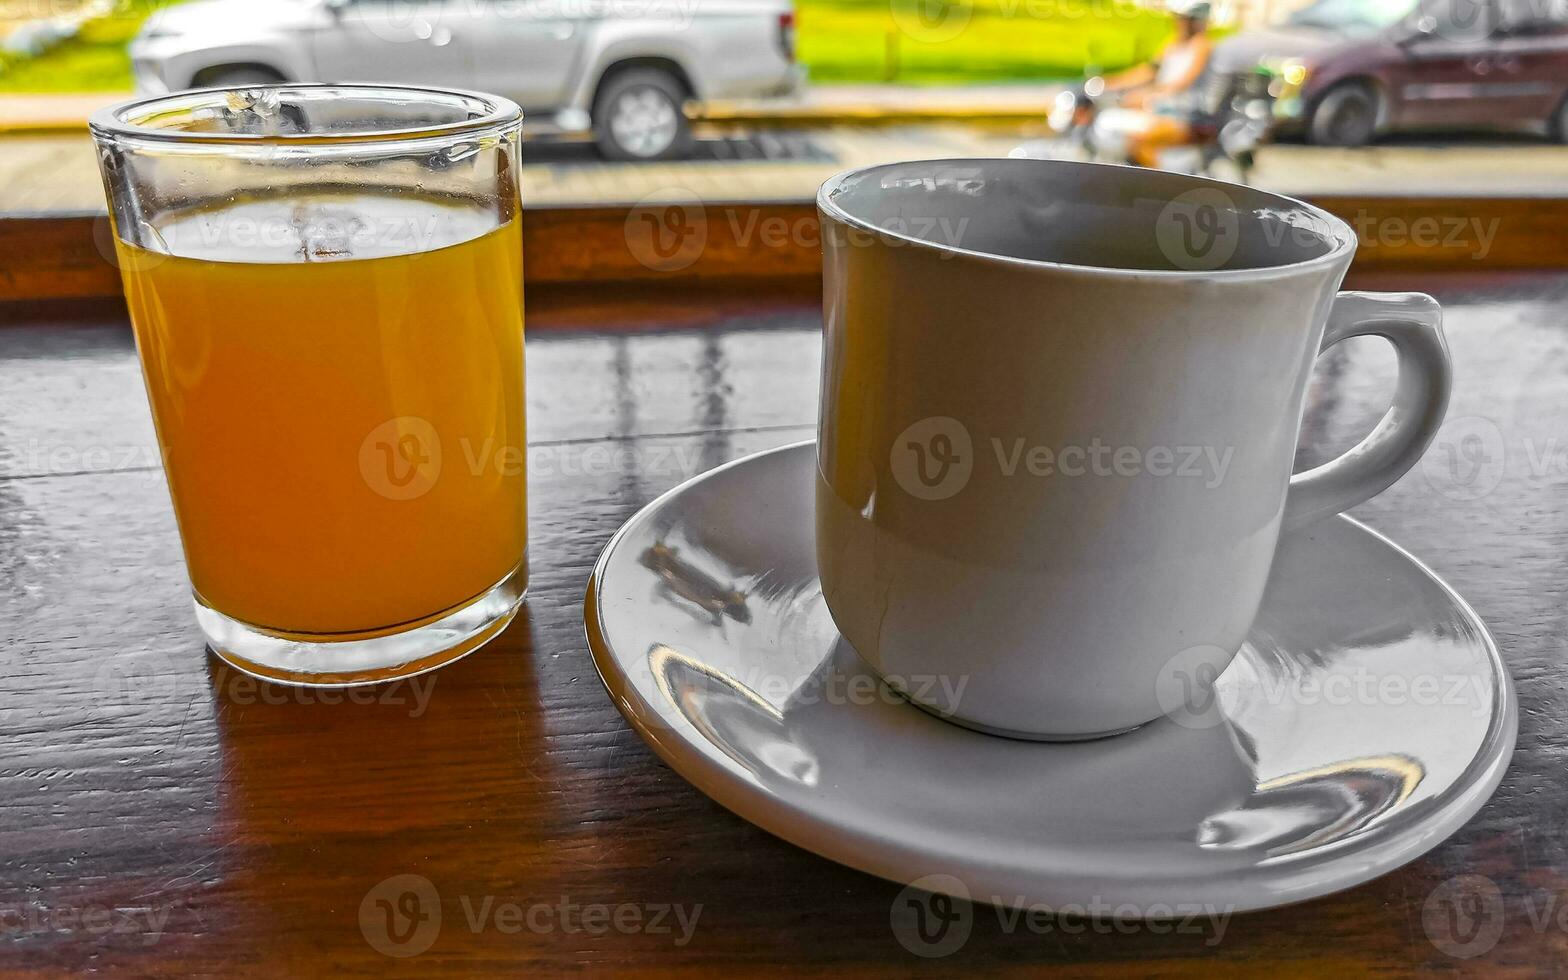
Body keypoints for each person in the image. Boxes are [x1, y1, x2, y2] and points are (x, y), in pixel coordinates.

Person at [1093, 0, 1216, 168]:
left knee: (1139, 141)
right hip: (1162, 109)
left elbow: (1182, 83)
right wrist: (1111, 83)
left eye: (1182, 19)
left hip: (1185, 117)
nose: (1177, 23)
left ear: (1194, 20)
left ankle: (1158, 186)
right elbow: (1149, 70)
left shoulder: (1202, 46)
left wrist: (1148, 96)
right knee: (1111, 125)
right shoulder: (1173, 44)